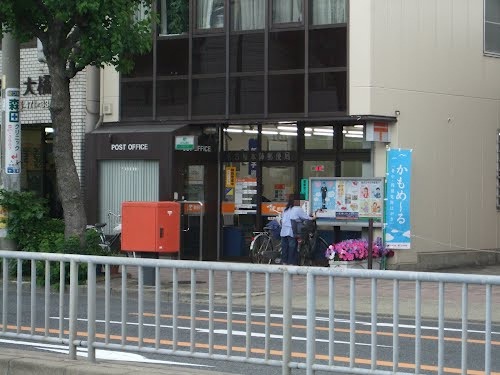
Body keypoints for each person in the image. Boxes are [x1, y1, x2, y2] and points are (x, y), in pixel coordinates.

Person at [280, 195, 316, 265]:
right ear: (296, 201)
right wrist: (314, 217)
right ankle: (291, 263)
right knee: (292, 247)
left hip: (283, 231)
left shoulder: (285, 209)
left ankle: (284, 263)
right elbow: (306, 218)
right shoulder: (297, 209)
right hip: (291, 231)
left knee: (285, 247)